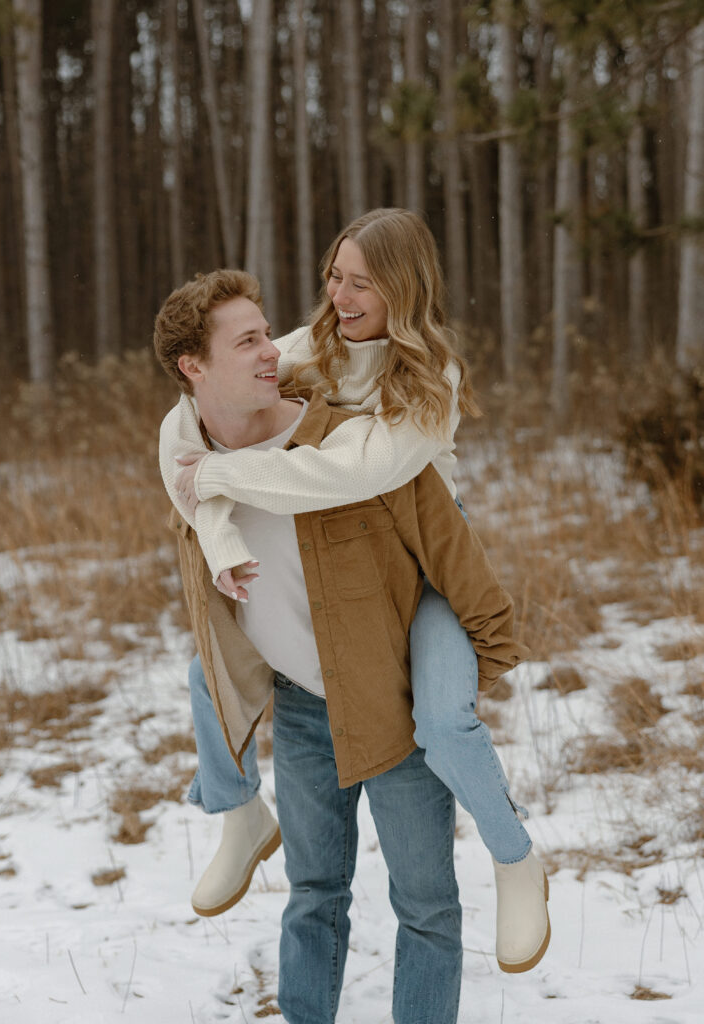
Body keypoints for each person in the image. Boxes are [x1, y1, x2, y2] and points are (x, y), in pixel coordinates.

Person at [158, 209, 551, 976]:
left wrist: (220, 478)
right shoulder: (309, 349)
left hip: (424, 558)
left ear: (401, 288)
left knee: (440, 721)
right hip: (345, 558)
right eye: (334, 275)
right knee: (206, 667)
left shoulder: (432, 376)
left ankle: (516, 861)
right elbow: (185, 428)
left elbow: (355, 474)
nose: (339, 295)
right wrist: (219, 532)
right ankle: (238, 811)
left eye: (360, 282)